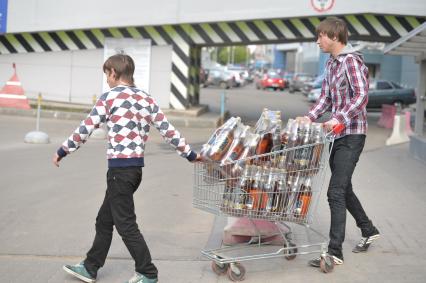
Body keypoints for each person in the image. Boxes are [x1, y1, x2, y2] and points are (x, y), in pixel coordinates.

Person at [53, 54, 201, 283]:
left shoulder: (109, 98)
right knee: (104, 219)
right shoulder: (146, 99)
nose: (107, 80)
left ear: (114, 72)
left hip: (119, 172)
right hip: (134, 171)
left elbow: (86, 128)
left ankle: (147, 272)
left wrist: (63, 150)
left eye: (107, 75)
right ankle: (91, 266)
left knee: (125, 224)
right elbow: (168, 130)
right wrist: (189, 154)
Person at [296, 17, 380, 267]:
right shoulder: (331, 65)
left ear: (335, 36)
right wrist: (308, 117)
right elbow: (326, 98)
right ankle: (368, 229)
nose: (317, 40)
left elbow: (362, 95)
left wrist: (339, 118)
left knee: (335, 192)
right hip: (337, 135)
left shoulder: (351, 61)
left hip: (352, 134)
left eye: (321, 35)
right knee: (344, 188)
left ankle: (334, 252)